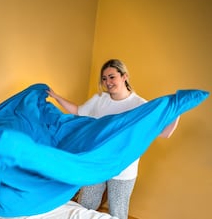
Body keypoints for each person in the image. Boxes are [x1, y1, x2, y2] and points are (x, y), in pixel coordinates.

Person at [47, 59, 179, 219]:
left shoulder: (140, 105)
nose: (107, 82)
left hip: (124, 169)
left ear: (124, 76)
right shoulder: (99, 100)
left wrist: (177, 110)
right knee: (85, 205)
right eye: (104, 78)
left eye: (111, 77)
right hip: (98, 164)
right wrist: (55, 96)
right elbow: (78, 111)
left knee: (118, 212)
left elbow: (164, 133)